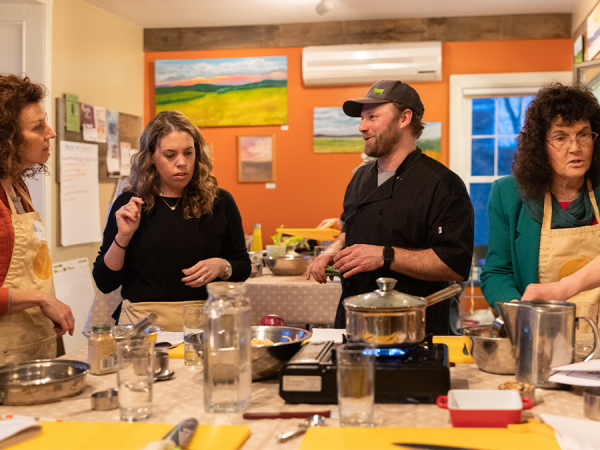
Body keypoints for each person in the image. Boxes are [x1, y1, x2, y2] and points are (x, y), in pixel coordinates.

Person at [306, 80, 474, 334]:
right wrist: (329, 253)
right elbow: (349, 231)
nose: (362, 127)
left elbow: (454, 264)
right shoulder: (360, 177)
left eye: (372, 116)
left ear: (405, 118)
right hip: (355, 321)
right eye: (362, 119)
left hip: (414, 327)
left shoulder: (442, 184)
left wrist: (386, 255)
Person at [93, 111, 251, 330]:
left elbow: (243, 267)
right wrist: (123, 238)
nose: (182, 163)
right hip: (143, 328)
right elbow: (104, 282)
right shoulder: (130, 203)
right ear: (151, 157)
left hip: (204, 324)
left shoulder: (220, 201)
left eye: (188, 153)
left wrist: (222, 266)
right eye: (170, 155)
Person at [480, 83, 600, 311]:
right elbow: (497, 272)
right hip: (541, 332)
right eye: (561, 137)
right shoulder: (507, 195)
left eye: (583, 134)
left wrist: (565, 287)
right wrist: (517, 311)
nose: (575, 148)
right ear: (540, 145)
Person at [0, 74, 75, 365]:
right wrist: (42, 299)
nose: (51, 133)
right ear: (7, 138)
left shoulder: (18, 188)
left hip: (33, 346)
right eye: (38, 127)